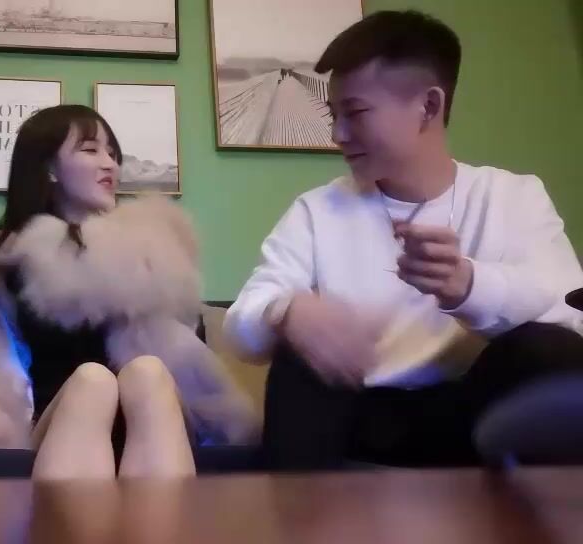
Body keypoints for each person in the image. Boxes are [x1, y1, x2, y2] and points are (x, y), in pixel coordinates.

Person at [224, 10, 583, 470]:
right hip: (356, 417)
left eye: (355, 113)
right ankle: (300, 509)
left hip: (474, 415)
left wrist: (467, 285)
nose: (337, 134)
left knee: (550, 350)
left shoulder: (513, 196)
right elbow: (242, 327)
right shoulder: (316, 210)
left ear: (428, 106)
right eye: (334, 115)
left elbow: (569, 316)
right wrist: (286, 311)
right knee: (297, 349)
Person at [0, 104, 258, 480]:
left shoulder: (151, 253)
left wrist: (40, 251)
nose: (109, 164)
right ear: (50, 168)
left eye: (112, 153)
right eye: (91, 149)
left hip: (157, 421)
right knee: (93, 381)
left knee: (146, 373)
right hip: (61, 428)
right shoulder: (8, 264)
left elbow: (143, 297)